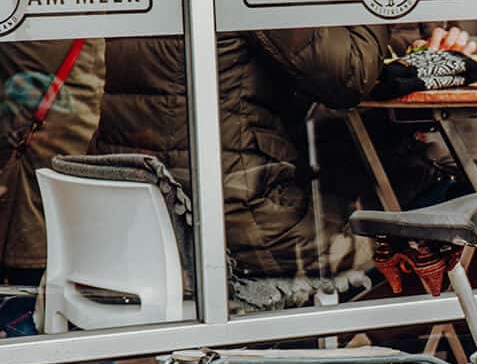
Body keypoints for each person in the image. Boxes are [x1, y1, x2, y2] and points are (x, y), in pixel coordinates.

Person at [93, 27, 388, 285]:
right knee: (397, 239)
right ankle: (394, 339)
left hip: (144, 215)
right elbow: (352, 72)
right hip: (234, 220)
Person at [0, 40, 115, 364]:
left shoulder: (20, 19)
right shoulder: (98, 20)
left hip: (30, 190)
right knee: (91, 318)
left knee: (17, 312)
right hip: (85, 184)